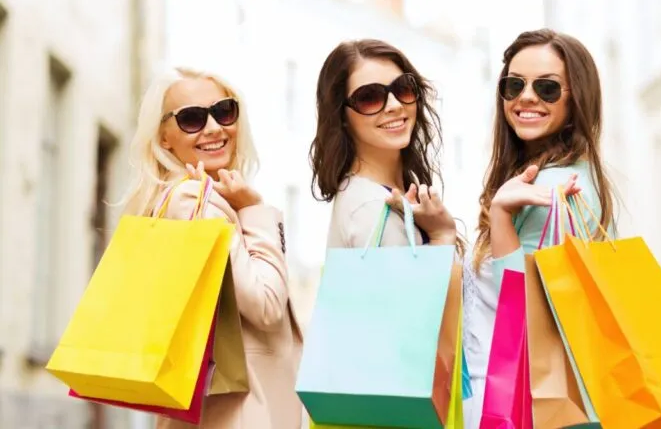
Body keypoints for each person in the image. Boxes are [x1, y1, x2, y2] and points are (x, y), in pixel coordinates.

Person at [120, 66, 303, 429]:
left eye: (223, 111)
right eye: (191, 118)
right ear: (164, 137)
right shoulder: (196, 203)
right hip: (241, 411)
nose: (214, 128)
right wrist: (254, 210)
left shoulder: (183, 199)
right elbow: (266, 306)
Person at [461, 28, 616, 428]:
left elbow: (525, 313)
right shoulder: (575, 179)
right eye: (514, 85)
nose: (526, 97)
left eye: (547, 88)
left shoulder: (553, 189)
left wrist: (499, 218)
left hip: (525, 405)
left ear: (576, 98)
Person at [309, 39, 457, 250]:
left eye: (403, 88)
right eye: (369, 98)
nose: (394, 105)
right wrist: (443, 236)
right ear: (341, 116)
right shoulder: (372, 207)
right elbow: (419, 285)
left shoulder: (385, 194)